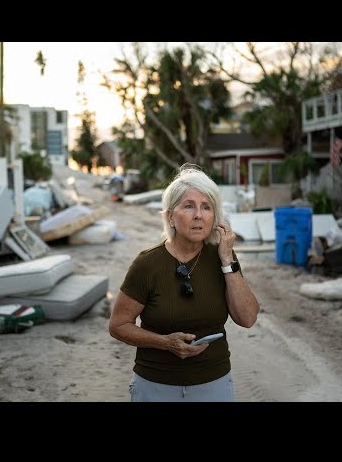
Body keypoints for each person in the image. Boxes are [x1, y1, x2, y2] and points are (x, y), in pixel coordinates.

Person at [109, 163, 260, 402]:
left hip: (214, 383)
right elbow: (118, 325)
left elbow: (248, 318)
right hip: (156, 385)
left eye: (206, 207)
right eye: (189, 206)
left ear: (215, 217)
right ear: (170, 216)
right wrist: (164, 343)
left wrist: (227, 260)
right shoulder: (147, 264)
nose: (198, 215)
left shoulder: (222, 257)